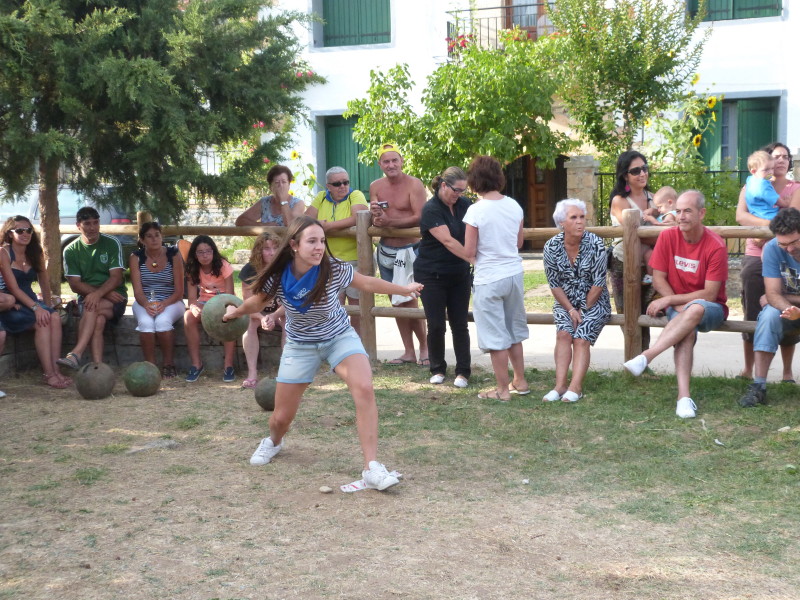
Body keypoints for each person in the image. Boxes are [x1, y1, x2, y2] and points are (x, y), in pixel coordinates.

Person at [221, 216, 423, 490]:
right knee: (281, 418)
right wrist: (236, 311)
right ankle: (274, 442)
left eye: (322, 241)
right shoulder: (280, 274)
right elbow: (258, 300)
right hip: (300, 344)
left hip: (338, 337)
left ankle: (371, 468)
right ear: (294, 245)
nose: (319, 247)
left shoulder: (334, 268)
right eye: (312, 241)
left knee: (364, 387)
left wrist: (404, 288)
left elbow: (368, 283)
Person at [623, 190, 728, 419]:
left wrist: (671, 300)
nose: (681, 216)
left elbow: (710, 294)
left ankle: (647, 356)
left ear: (702, 213)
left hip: (710, 307)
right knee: (686, 333)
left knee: (697, 308)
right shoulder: (668, 237)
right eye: (678, 211)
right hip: (678, 305)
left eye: (687, 211)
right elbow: (659, 277)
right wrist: (676, 303)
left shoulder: (716, 245)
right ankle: (683, 398)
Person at [463, 155, 528, 402]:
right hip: (514, 274)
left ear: (474, 180)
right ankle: (519, 381)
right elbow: (519, 242)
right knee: (513, 331)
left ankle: (502, 390)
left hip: (489, 277)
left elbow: (469, 252)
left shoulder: (474, 210)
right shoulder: (514, 205)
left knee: (495, 336)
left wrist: (451, 245)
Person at [735, 142, 800, 382]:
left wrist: (765, 232)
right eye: (776, 156)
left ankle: (786, 371)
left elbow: (790, 221)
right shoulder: (752, 184)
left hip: (788, 250)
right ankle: (748, 368)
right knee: (752, 307)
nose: (781, 160)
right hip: (755, 253)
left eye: (785, 156)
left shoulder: (796, 189)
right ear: (767, 161)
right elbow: (740, 216)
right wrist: (767, 233)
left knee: (785, 304)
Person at [542, 199, 611, 402]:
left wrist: (582, 308)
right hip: (566, 303)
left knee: (581, 338)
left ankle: (576, 386)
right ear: (562, 222)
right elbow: (554, 284)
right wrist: (571, 309)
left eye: (582, 217)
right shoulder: (551, 247)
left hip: (594, 302)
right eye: (574, 217)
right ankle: (560, 385)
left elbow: (599, 283)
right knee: (564, 334)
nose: (580, 221)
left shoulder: (596, 243)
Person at [369, 143, 429, 366]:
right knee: (396, 301)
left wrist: (390, 222)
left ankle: (424, 348)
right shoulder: (375, 186)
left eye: (395, 160)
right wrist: (377, 218)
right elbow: (377, 217)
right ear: (380, 164)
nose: (391, 165)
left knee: (411, 300)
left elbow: (420, 216)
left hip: (410, 251)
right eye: (386, 161)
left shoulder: (414, 184)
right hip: (386, 251)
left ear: (402, 161)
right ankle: (408, 351)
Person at [414, 167, 473, 388]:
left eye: (463, 190)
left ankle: (463, 371)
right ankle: (437, 368)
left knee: (460, 323)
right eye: (456, 190)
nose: (459, 194)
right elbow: (447, 241)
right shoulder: (430, 209)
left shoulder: (465, 205)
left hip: (459, 272)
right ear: (444, 185)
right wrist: (472, 258)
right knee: (436, 324)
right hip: (431, 274)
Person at [738, 208, 800, 407]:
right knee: (769, 315)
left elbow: (774, 295)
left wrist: (789, 298)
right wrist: (789, 308)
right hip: (789, 308)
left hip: (792, 302)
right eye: (784, 244)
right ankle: (758, 386)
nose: (789, 250)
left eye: (794, 243)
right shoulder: (773, 248)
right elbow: (772, 294)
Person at [0, 216, 70, 388]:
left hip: (29, 300)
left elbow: (44, 283)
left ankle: (56, 370)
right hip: (11, 302)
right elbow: (14, 288)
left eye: (29, 230)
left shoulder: (35, 252)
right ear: (9, 234)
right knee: (43, 322)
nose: (26, 234)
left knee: (53, 318)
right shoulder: (3, 252)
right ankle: (48, 374)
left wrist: (48, 306)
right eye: (20, 231)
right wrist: (37, 308)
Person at [58, 207, 128, 369]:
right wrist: (100, 294)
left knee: (91, 307)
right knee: (98, 320)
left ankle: (76, 353)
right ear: (78, 226)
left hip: (115, 298)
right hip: (94, 297)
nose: (92, 227)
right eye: (87, 224)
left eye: (95, 223)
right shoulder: (70, 250)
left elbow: (116, 277)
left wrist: (98, 294)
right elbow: (75, 285)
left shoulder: (112, 243)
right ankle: (99, 368)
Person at [305, 166, 369, 334]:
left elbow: (358, 217)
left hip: (356, 260)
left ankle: (357, 345)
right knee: (333, 305)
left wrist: (327, 226)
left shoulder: (356, 195)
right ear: (328, 186)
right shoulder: (320, 197)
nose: (343, 186)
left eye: (346, 182)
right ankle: (337, 343)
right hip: (329, 262)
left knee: (357, 306)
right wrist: (322, 226)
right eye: (337, 183)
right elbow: (306, 219)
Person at [608, 150, 655, 341]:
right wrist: (661, 235)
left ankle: (642, 362)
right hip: (624, 263)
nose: (642, 174)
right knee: (628, 313)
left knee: (646, 313)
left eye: (644, 168)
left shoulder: (654, 198)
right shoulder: (620, 201)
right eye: (636, 171)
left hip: (652, 264)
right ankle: (634, 361)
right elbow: (635, 233)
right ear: (625, 175)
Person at [129, 222, 185, 378]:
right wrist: (147, 304)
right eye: (149, 236)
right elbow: (138, 292)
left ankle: (169, 364)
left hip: (171, 300)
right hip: (144, 301)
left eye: (157, 235)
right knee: (146, 324)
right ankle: (151, 367)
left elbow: (179, 291)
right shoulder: (136, 258)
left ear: (162, 237)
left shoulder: (173, 254)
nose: (154, 239)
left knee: (162, 322)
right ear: (142, 240)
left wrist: (163, 304)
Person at [183, 235, 236, 383]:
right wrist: (193, 308)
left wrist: (222, 310)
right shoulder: (192, 269)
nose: (205, 255)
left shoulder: (223, 265)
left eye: (208, 251)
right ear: (195, 254)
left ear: (213, 251)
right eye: (200, 252)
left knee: (229, 318)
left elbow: (230, 296)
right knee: (188, 317)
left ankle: (228, 365)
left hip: (225, 302)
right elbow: (192, 300)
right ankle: (196, 364)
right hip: (205, 303)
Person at [239, 232, 284, 388]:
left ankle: (286, 372)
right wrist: (262, 318)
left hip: (281, 310)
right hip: (259, 312)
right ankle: (252, 373)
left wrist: (275, 315)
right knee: (249, 325)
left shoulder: (287, 267)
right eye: (266, 248)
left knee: (289, 322)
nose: (271, 252)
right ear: (259, 251)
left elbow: (292, 301)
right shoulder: (249, 270)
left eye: (275, 248)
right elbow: (248, 305)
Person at [235, 164, 305, 227]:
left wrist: (283, 200)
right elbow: (240, 221)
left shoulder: (298, 203)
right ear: (271, 187)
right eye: (277, 182)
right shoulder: (265, 202)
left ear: (289, 185)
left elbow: (290, 225)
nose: (281, 185)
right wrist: (263, 225)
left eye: (284, 182)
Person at [744, 150, 780, 220]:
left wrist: (773, 179)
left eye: (772, 168)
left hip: (755, 213)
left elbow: (770, 177)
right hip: (768, 216)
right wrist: (786, 202)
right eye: (766, 170)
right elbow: (777, 201)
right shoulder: (763, 185)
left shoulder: (750, 179)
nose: (771, 172)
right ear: (753, 171)